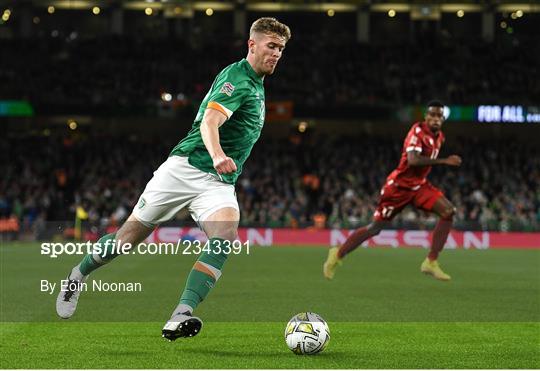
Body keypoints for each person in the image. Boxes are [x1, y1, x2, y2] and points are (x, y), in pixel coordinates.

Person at [56, 17, 291, 340]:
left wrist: (221, 164)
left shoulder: (257, 85)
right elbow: (210, 121)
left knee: (224, 237)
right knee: (125, 241)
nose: (277, 53)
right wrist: (219, 154)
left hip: (216, 183)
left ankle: (180, 314)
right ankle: (76, 276)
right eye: (271, 46)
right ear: (252, 45)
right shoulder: (236, 78)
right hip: (185, 169)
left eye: (281, 48)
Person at [323, 100, 462, 281]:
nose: (435, 119)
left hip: (419, 186)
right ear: (426, 117)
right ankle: (337, 255)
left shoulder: (440, 136)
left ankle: (431, 262)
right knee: (375, 228)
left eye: (439, 116)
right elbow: (412, 160)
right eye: (432, 115)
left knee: (448, 211)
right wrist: (443, 161)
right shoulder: (417, 132)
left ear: (443, 119)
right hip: (398, 188)